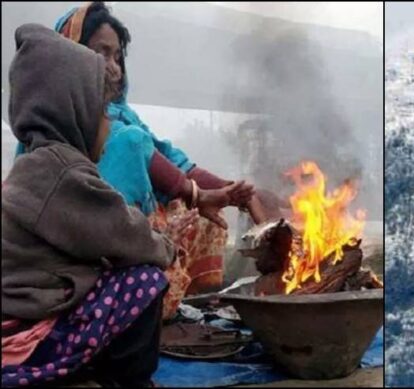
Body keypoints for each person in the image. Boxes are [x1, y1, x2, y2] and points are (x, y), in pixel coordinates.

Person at [25, 2, 290, 318]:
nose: (113, 67)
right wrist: (195, 198)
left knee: (203, 219)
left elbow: (171, 160)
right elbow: (139, 148)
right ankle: (134, 298)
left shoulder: (123, 115)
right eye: (101, 53)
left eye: (118, 57)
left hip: (118, 237)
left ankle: (166, 299)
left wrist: (239, 194)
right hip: (78, 256)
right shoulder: (56, 124)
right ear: (69, 56)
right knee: (166, 213)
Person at [1, 23, 192, 387]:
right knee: (143, 281)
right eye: (103, 112)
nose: (109, 124)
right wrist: (166, 247)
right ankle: (126, 380)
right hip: (32, 333)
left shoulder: (38, 163)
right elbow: (124, 234)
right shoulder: (63, 171)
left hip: (25, 311)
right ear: (74, 111)